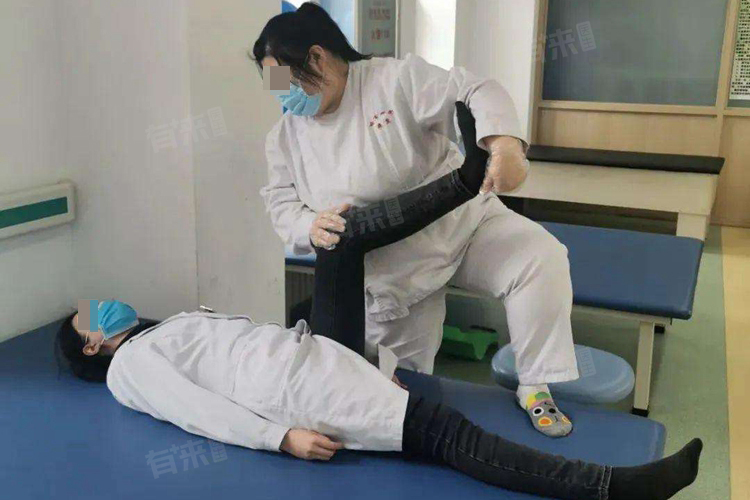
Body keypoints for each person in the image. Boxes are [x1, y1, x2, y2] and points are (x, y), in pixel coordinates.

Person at [56, 103, 701, 500]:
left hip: (315, 356)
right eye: (92, 312)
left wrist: (358, 359)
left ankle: (465, 179)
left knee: (340, 236)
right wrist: (279, 438)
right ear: (92, 345)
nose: (104, 303)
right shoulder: (127, 368)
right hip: (305, 396)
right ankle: (613, 486)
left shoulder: (165, 328)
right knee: (453, 437)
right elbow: (195, 412)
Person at [256, 2, 578, 438]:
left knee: (539, 257)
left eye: (286, 82)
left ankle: (536, 384)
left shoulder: (392, 80)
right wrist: (306, 226)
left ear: (317, 57)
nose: (285, 97)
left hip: (463, 226)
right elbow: (280, 203)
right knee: (400, 394)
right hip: (393, 274)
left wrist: (505, 145)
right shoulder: (285, 137)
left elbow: (474, 89)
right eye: (274, 87)